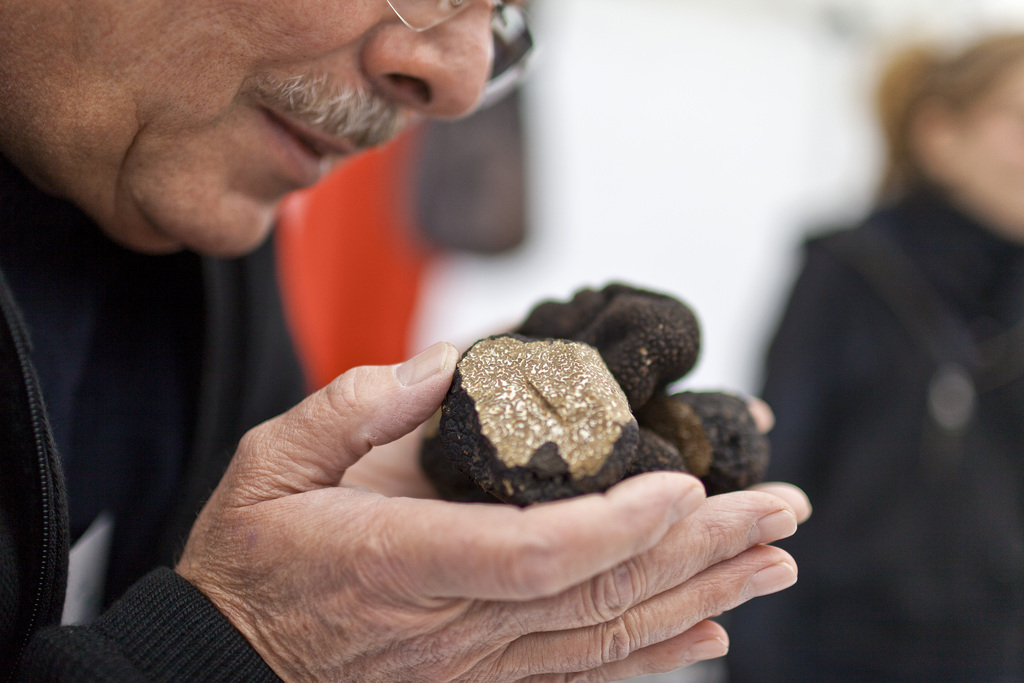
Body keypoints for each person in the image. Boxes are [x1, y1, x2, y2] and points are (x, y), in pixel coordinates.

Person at [0, 0, 811, 680]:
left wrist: (365, 521)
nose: (459, 80)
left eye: (504, 12)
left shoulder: (205, 230)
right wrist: (241, 649)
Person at [726, 32, 1024, 682]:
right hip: (833, 651)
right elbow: (776, 467)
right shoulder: (850, 272)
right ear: (939, 134)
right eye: (1019, 121)